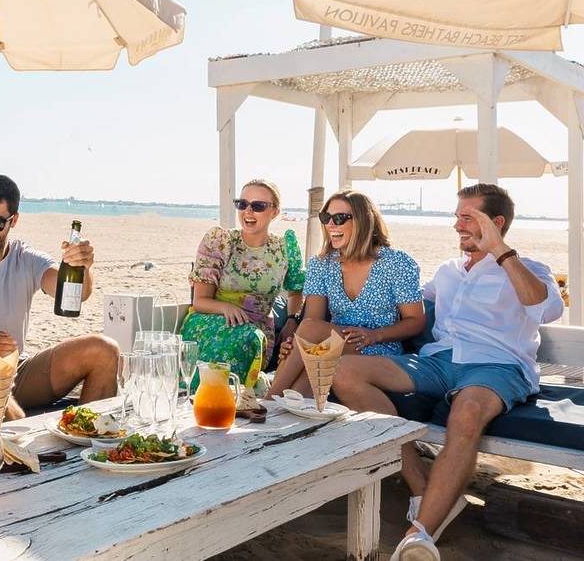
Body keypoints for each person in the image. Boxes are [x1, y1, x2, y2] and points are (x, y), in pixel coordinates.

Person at [331, 184, 563, 561]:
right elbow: (404, 307)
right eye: (456, 216)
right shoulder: (449, 271)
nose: (457, 225)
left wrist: (500, 251)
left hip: (496, 366)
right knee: (343, 372)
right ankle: (422, 485)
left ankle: (419, 533)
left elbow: (547, 308)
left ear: (497, 222)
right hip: (438, 363)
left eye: (468, 217)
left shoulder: (529, 269)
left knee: (467, 411)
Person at [0, 174, 118, 417]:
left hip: (16, 371)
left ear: (13, 221)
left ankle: (87, 441)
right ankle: (22, 446)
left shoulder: (25, 259)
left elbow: (73, 295)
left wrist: (83, 268)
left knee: (104, 350)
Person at [267, 189, 424, 398]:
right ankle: (279, 419)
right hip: (329, 345)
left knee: (310, 341)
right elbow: (311, 321)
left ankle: (266, 403)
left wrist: (375, 335)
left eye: (340, 218)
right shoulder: (321, 264)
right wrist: (295, 345)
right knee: (296, 391)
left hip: (378, 347)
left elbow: (416, 321)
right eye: (326, 217)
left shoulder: (396, 263)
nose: (331, 224)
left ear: (363, 222)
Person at [182, 179, 304, 387]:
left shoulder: (285, 248)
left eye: (258, 206)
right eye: (242, 204)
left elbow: (295, 290)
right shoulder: (220, 241)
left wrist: (292, 319)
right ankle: (206, 397)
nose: (248, 211)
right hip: (210, 322)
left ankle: (233, 399)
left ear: (275, 212)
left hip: (256, 331)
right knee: (237, 338)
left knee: (248, 337)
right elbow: (200, 301)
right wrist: (225, 307)